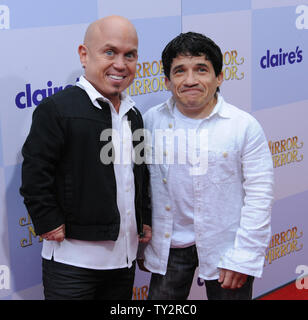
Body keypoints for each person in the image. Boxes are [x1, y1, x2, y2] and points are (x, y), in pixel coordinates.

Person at [20, 15, 151, 300]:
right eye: (109, 52)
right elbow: (35, 173)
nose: (120, 64)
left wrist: (145, 219)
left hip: (124, 262)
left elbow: (140, 174)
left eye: (129, 55)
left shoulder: (134, 114)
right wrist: (47, 221)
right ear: (84, 54)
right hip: (72, 265)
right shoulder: (56, 109)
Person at [138, 32, 274, 300]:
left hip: (227, 245)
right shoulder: (149, 122)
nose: (190, 80)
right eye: (180, 71)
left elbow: (260, 195)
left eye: (201, 69)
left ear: (219, 77)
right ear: (167, 80)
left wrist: (244, 256)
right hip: (169, 245)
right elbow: (139, 184)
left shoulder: (243, 126)